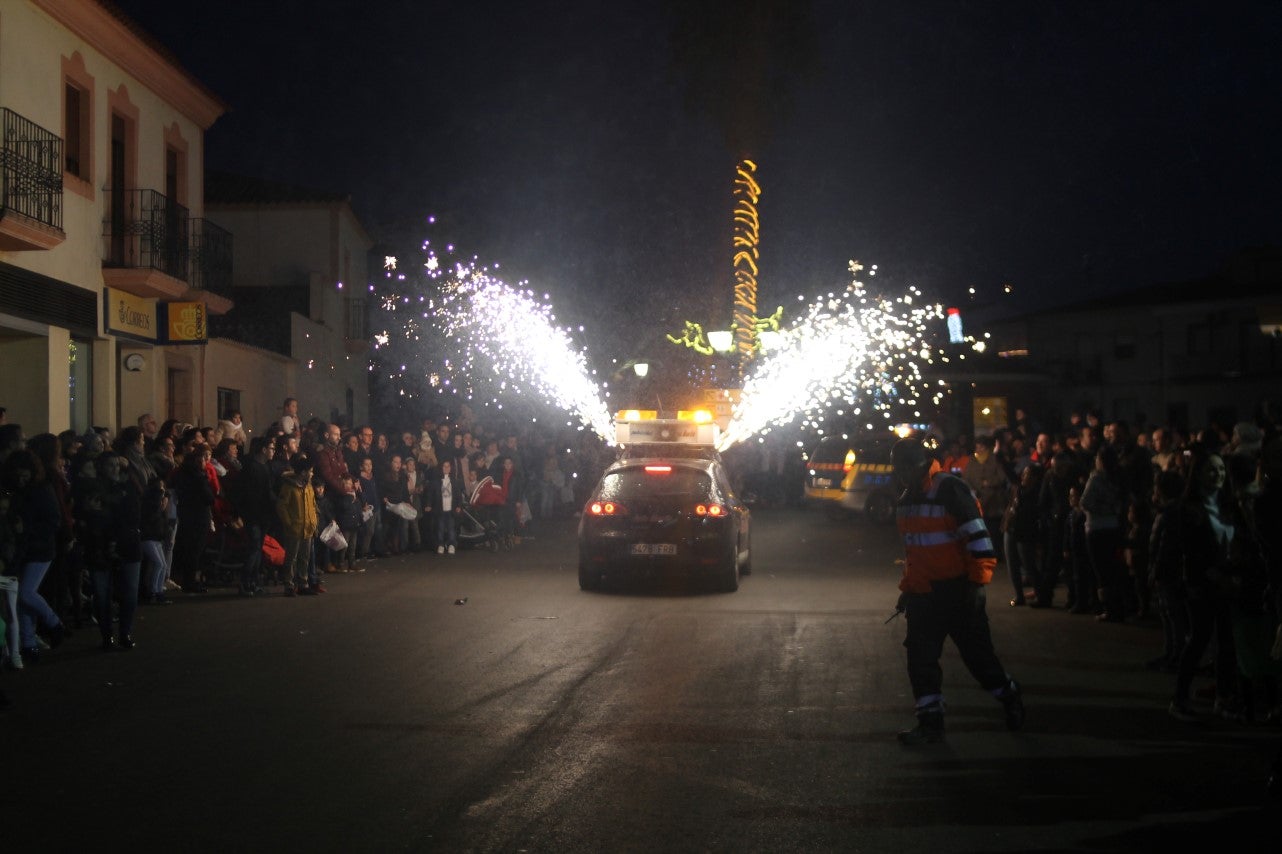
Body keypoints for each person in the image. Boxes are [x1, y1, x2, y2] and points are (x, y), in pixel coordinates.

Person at [888, 437, 1023, 745]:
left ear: (918, 464)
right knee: (920, 659)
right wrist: (908, 588)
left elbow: (977, 538)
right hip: (924, 594)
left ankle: (1008, 693)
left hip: (958, 590)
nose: (898, 472)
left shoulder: (949, 488)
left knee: (979, 660)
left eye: (902, 466)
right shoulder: (908, 495)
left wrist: (977, 585)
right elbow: (915, 552)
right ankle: (930, 723)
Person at [275, 454, 318, 596]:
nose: (312, 473)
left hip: (308, 527)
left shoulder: (309, 487)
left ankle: (303, 583)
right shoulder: (289, 487)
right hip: (295, 527)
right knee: (291, 558)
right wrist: (289, 523)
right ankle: (289, 585)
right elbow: (282, 506)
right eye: (310, 471)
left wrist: (314, 522)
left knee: (304, 557)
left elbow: (312, 505)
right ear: (303, 472)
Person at [432, 459, 464, 554]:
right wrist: (429, 505)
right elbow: (432, 494)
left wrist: (459, 506)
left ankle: (451, 544)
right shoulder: (437, 481)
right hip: (441, 509)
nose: (446, 468)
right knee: (440, 528)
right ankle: (441, 544)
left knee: (451, 528)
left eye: (448, 466)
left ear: (451, 468)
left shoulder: (454, 481)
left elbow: (458, 495)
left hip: (451, 509)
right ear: (441, 468)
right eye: (444, 466)